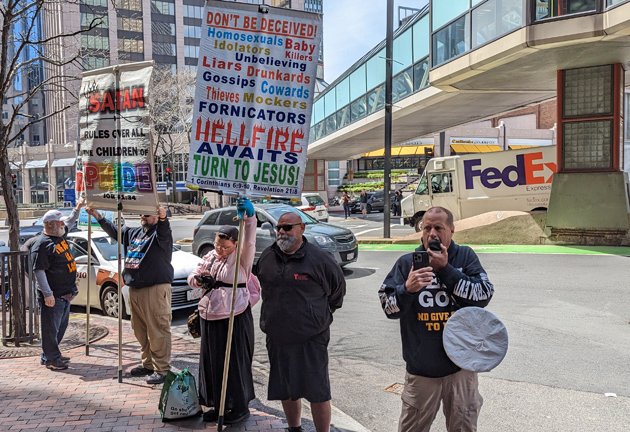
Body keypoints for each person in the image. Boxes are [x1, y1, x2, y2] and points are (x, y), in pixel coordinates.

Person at [378, 206, 494, 432]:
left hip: (462, 369)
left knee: (463, 427)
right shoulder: (406, 263)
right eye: (427, 227)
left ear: (451, 230)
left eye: (438, 227)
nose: (432, 233)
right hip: (422, 371)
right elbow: (388, 306)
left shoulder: (465, 256)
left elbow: (484, 295)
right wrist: (407, 290)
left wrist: (446, 269)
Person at [257, 211, 346, 432]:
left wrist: (319, 317)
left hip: (311, 338)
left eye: (287, 228)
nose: (281, 232)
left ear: (302, 228)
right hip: (277, 336)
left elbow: (337, 293)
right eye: (279, 228)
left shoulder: (319, 259)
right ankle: (294, 427)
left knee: (317, 390)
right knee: (286, 388)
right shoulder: (268, 256)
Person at [187, 197, 260, 424]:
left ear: (235, 245)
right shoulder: (210, 256)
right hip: (209, 315)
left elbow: (249, 241)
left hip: (234, 316)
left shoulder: (241, 258)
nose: (221, 249)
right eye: (218, 244)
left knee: (234, 364)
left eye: (226, 246)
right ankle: (218, 405)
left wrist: (249, 219)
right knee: (212, 363)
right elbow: (193, 275)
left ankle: (239, 407)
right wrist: (198, 280)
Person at [86, 205, 174, 385]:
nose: (143, 215)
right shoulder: (135, 233)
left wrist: (164, 218)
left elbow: (165, 230)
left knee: (158, 330)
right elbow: (115, 232)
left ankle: (162, 369)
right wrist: (97, 216)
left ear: (157, 216)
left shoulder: (160, 234)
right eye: (141, 213)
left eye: (148, 214)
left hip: (155, 289)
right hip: (135, 289)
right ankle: (148, 364)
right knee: (140, 330)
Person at [31, 198, 84, 371]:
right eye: (60, 222)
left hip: (65, 293)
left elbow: (70, 221)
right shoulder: (42, 244)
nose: (64, 225)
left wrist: (77, 207)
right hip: (53, 294)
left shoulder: (59, 235)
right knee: (50, 329)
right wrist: (47, 294)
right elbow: (39, 271)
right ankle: (52, 359)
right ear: (51, 225)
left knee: (59, 327)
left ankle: (50, 355)